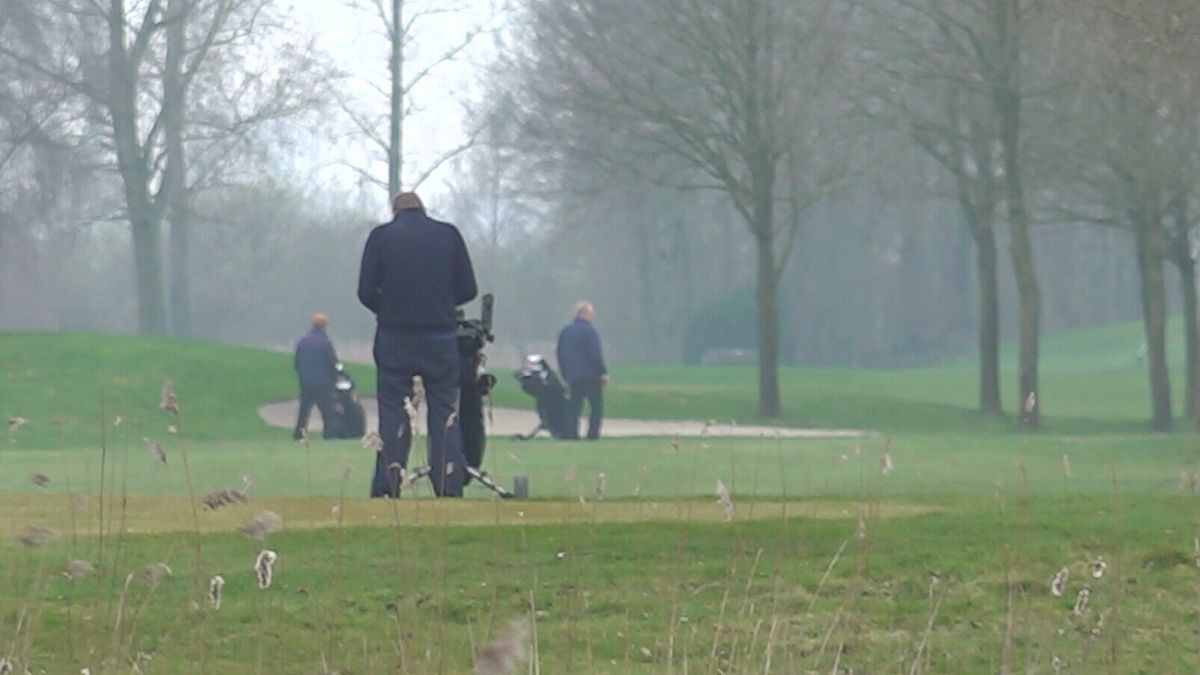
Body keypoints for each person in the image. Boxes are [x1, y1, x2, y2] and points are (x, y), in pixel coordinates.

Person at [358, 191, 478, 497]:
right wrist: (440, 304)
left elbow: (365, 291)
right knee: (444, 412)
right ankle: (449, 486)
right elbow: (468, 289)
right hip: (439, 336)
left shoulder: (381, 237)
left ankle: (387, 487)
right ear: (424, 209)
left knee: (394, 413)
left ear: (394, 211)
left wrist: (388, 310)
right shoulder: (448, 235)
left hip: (394, 336)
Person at [556, 302, 608, 440]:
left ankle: (571, 434)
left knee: (574, 407)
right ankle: (592, 435)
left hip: (573, 376)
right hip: (591, 376)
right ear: (584, 314)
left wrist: (565, 373)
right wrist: (602, 373)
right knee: (596, 406)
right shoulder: (590, 332)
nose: (593, 317)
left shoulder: (566, 332)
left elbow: (560, 354)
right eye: (591, 314)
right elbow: (595, 354)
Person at [293, 313, 339, 441]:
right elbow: (333, 363)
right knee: (327, 412)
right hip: (323, 384)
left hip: (306, 383)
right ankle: (329, 435)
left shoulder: (303, 341)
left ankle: (299, 435)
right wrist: (335, 377)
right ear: (324, 326)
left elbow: (297, 363)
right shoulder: (325, 343)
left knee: (304, 412)